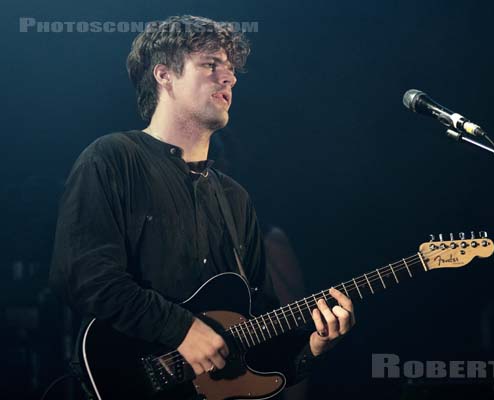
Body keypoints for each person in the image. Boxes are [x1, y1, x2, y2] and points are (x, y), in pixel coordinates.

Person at [49, 14, 355, 396]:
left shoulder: (235, 199)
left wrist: (311, 348)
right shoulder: (112, 158)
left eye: (230, 70)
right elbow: (83, 275)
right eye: (211, 65)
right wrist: (181, 329)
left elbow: (258, 333)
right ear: (164, 75)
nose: (229, 78)